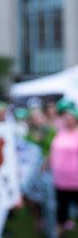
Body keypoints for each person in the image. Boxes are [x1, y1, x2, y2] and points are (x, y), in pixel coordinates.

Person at [50, 99, 78, 235]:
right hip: (60, 180)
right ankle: (60, 229)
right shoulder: (60, 132)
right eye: (65, 117)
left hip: (76, 180)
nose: (67, 119)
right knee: (61, 209)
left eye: (70, 117)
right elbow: (53, 151)